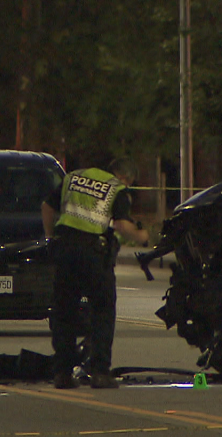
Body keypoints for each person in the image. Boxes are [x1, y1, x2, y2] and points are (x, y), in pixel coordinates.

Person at [41, 157, 150, 389]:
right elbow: (121, 225)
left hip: (66, 250)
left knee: (64, 312)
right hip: (93, 254)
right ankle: (100, 373)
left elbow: (47, 207)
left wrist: (51, 238)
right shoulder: (117, 189)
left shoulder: (73, 177)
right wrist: (142, 237)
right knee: (102, 311)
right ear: (125, 178)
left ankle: (62, 373)